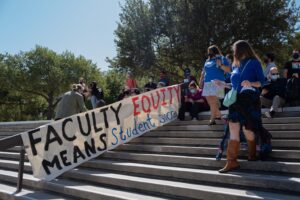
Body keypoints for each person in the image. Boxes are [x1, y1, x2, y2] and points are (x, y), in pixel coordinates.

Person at [219, 40, 265, 173]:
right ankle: (231, 162)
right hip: (235, 100)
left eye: (235, 50)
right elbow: (234, 85)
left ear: (242, 50)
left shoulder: (254, 63)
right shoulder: (235, 65)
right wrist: (223, 84)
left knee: (247, 129)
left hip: (249, 99)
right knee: (233, 128)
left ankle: (252, 153)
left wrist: (250, 83)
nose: (234, 52)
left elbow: (261, 82)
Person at [199, 45, 231, 125]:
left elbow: (229, 70)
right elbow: (203, 72)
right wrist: (201, 80)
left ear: (215, 51)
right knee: (210, 102)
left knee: (213, 102)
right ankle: (219, 115)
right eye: (208, 51)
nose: (209, 53)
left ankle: (212, 119)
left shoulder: (222, 58)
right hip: (207, 82)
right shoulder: (207, 60)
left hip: (218, 82)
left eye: (210, 51)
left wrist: (220, 65)